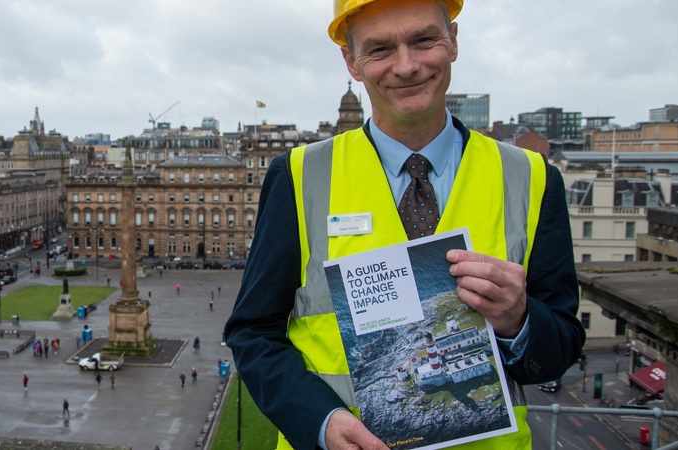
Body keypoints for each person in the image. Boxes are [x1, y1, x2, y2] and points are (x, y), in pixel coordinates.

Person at [222, 1, 585, 448]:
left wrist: (520, 320)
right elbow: (252, 332)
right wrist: (319, 422)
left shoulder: (532, 177)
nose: (407, 66)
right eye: (379, 49)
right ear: (351, 61)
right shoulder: (298, 174)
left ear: (453, 40)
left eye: (423, 39)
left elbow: (561, 347)